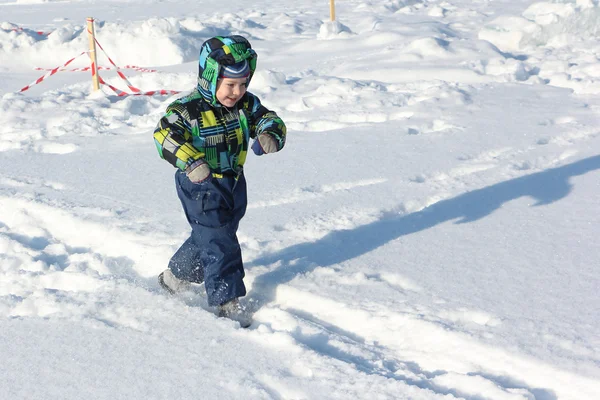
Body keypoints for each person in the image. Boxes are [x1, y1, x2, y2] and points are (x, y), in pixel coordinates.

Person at [152, 35, 286, 327]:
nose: (236, 92)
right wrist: (190, 160)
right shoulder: (188, 110)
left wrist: (269, 134)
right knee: (220, 239)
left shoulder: (245, 105)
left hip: (234, 182)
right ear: (210, 78)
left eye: (242, 84)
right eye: (230, 85)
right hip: (199, 185)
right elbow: (164, 136)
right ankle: (227, 302)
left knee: (212, 236)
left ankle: (175, 277)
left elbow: (268, 119)